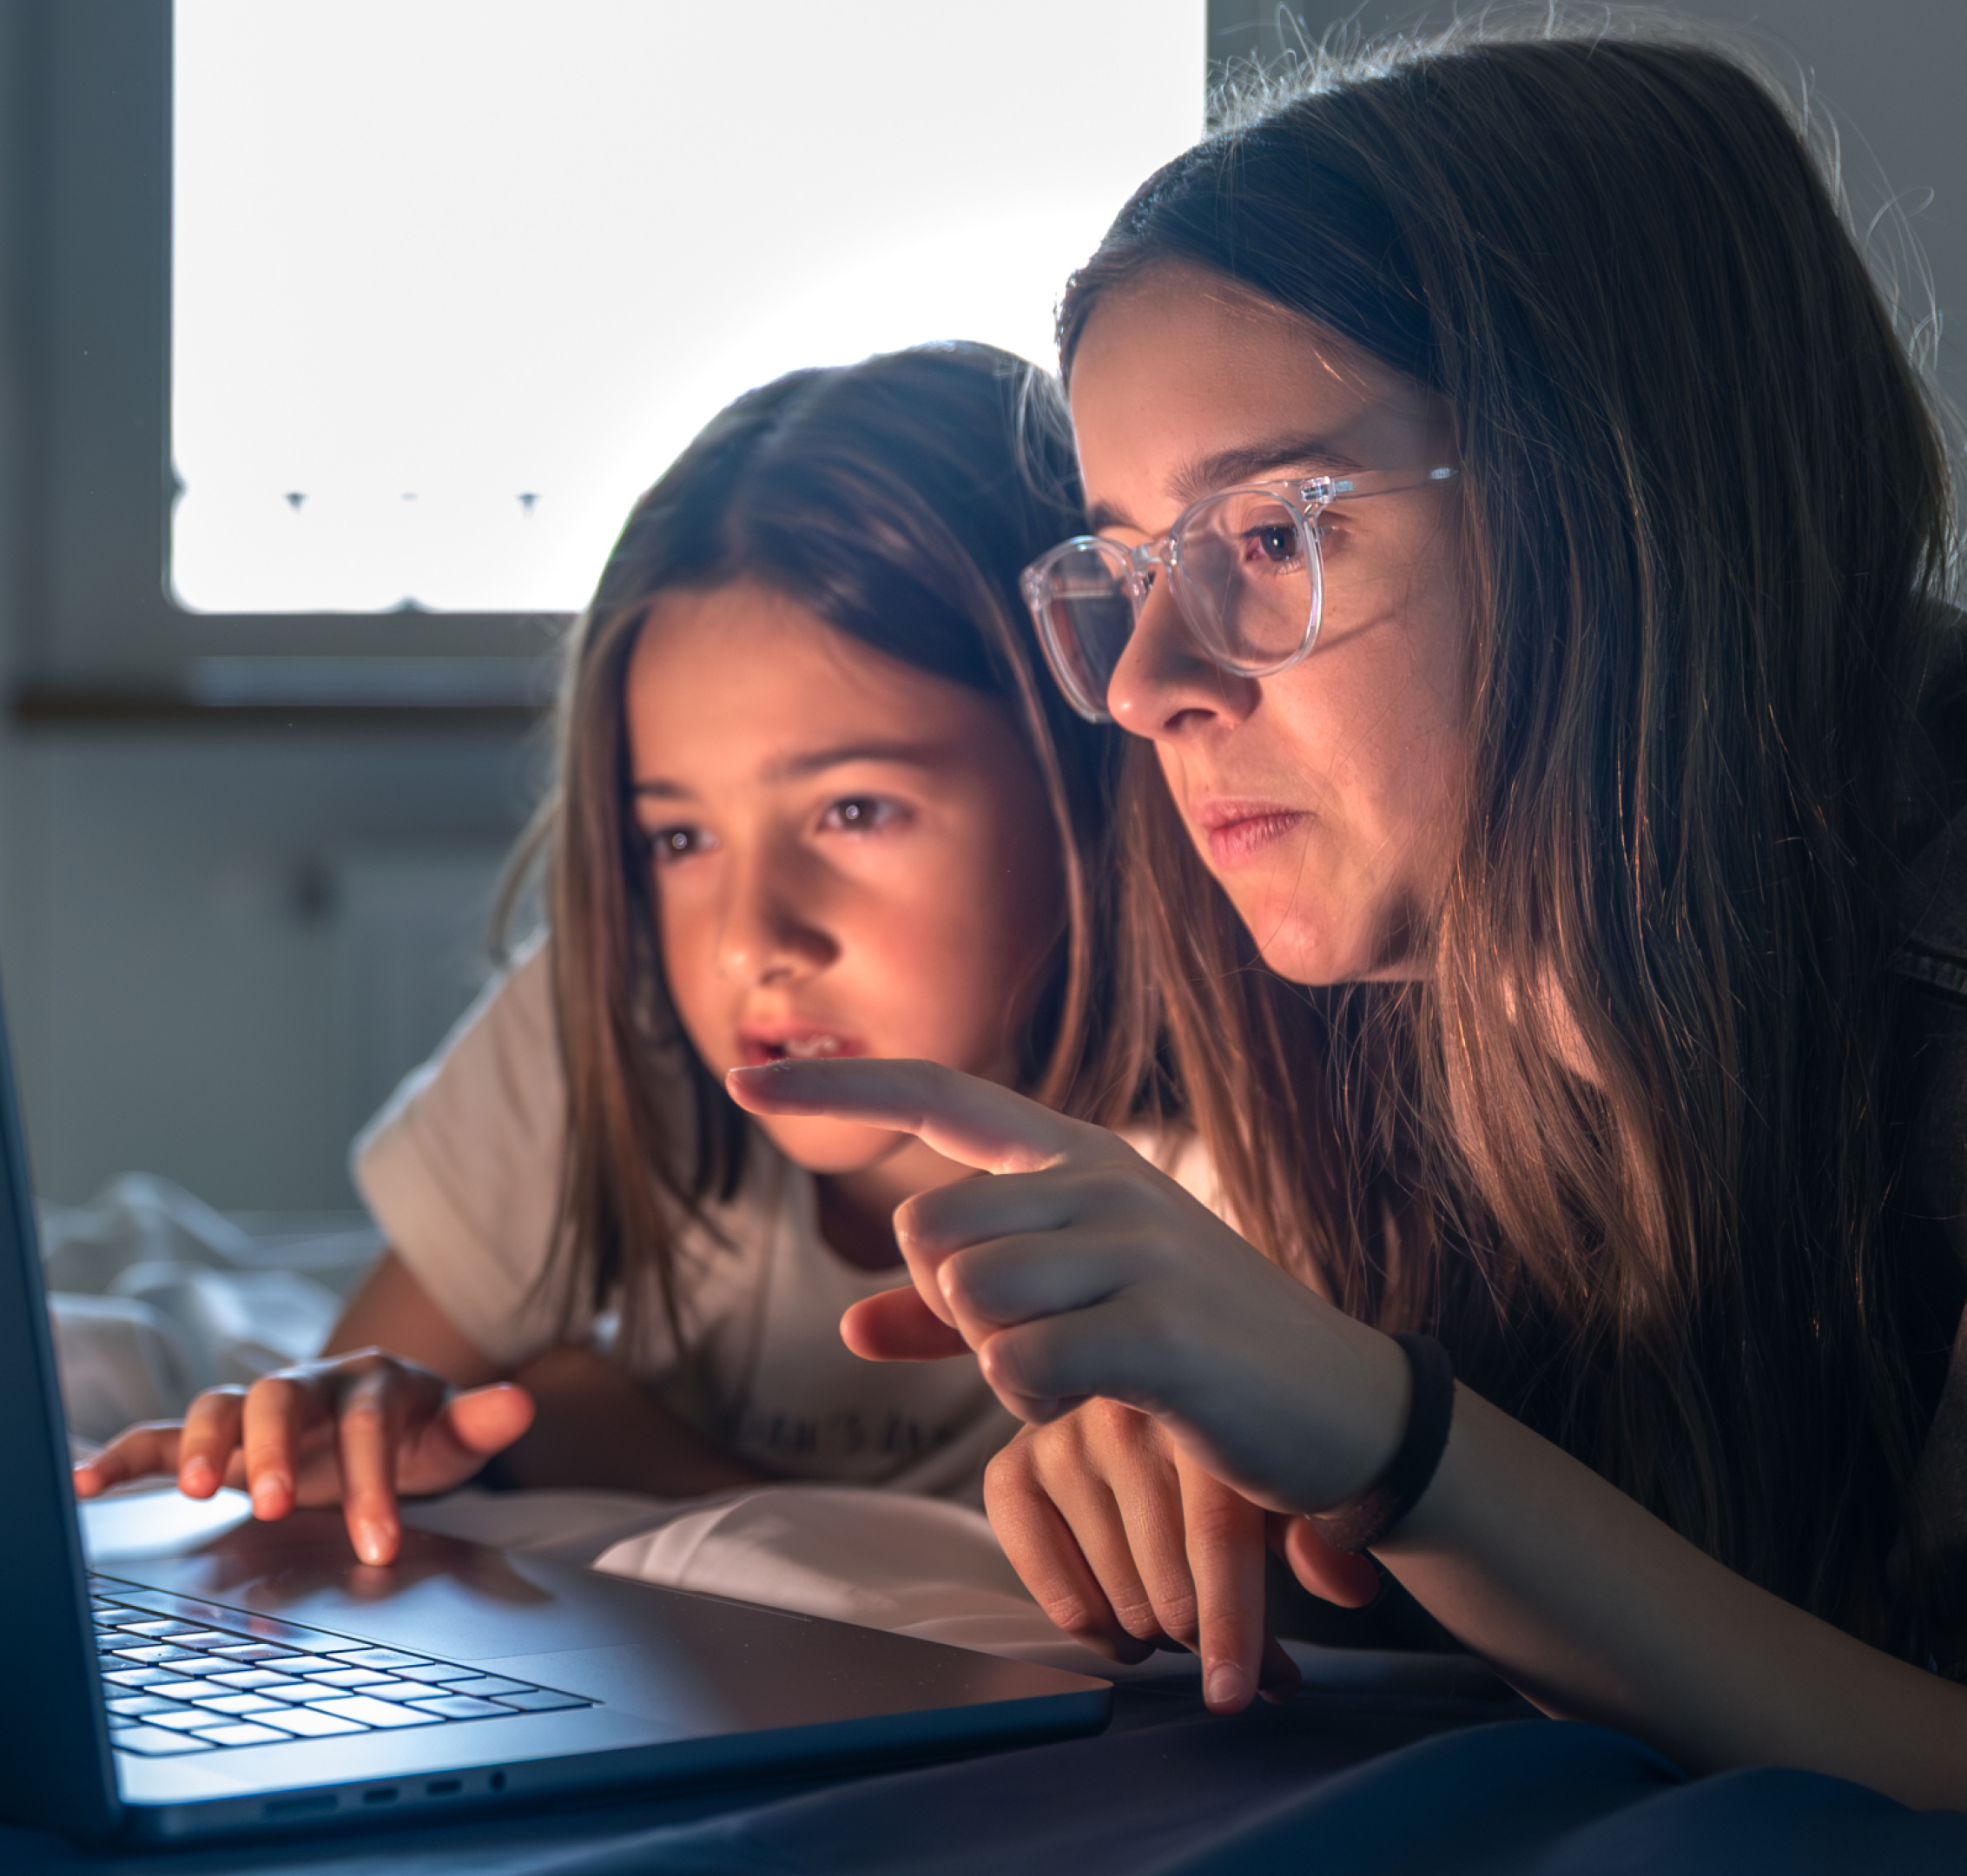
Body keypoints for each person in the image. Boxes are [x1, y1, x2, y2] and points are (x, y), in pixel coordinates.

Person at [735, 27, 1967, 1803]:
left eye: (1267, 534)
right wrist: (1210, 1454)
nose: (1149, 680)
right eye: (1128, 568)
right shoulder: (1366, 986)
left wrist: (1397, 1447)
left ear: (1626, 503)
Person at [74, 344, 1171, 1569]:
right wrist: (379, 1419)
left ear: (1088, 772)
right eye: (680, 837)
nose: (752, 939)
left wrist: (590, 1421)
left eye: (854, 811)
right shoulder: (613, 1010)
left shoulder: (1225, 1182)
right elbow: (382, 1400)